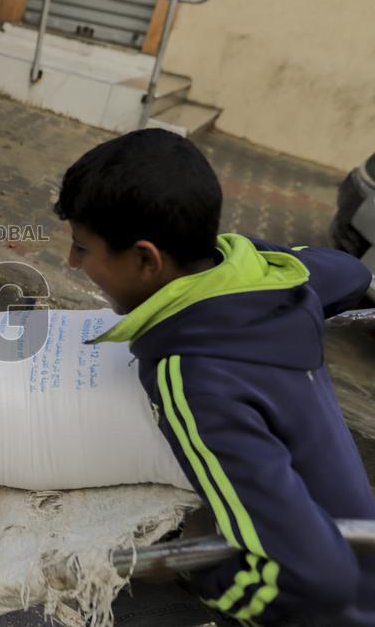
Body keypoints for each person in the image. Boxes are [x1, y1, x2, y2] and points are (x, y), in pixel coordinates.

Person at [54, 128, 375, 625]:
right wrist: (243, 257)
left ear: (145, 259)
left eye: (81, 247)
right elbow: (348, 273)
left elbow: (314, 583)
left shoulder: (192, 375)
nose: (71, 262)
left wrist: (202, 574)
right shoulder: (272, 283)